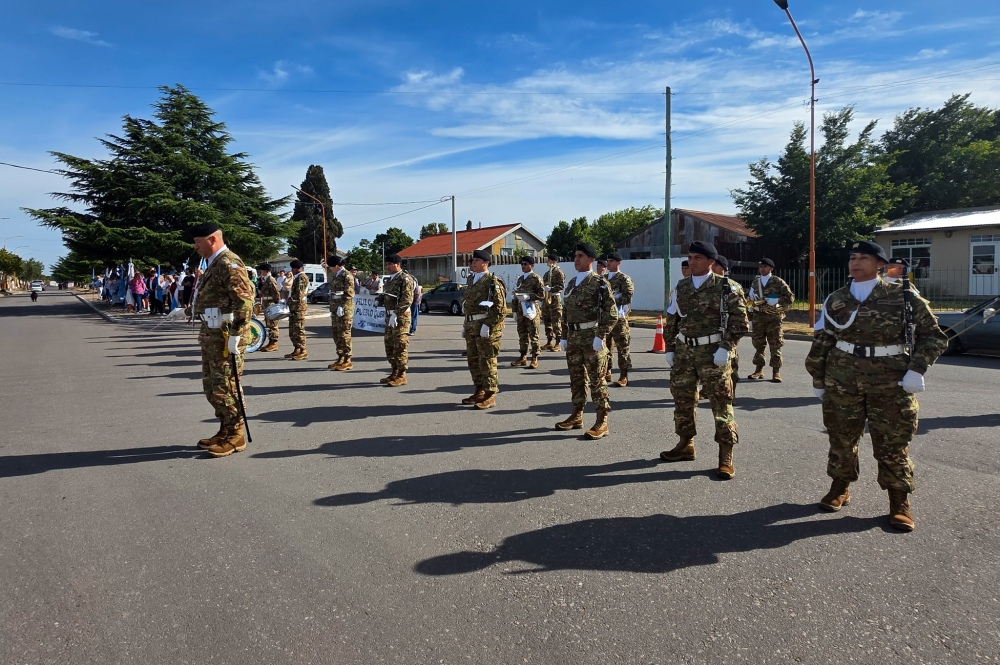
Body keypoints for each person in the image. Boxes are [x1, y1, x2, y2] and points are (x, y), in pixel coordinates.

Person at [805, 241, 947, 531]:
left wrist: (917, 369)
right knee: (841, 439)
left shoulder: (903, 297)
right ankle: (840, 488)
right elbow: (824, 340)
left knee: (893, 444)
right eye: (852, 257)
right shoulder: (837, 299)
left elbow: (934, 336)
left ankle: (899, 501)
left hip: (891, 381)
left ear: (880, 265)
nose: (856, 262)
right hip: (843, 380)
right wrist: (818, 378)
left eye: (864, 257)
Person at [660, 241, 749, 479]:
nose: (692, 261)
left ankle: (725, 455)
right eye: (690, 257)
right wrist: (670, 348)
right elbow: (672, 319)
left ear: (711, 262)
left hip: (713, 354)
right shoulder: (681, 287)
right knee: (683, 401)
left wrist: (726, 347)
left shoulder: (727, 288)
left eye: (698, 257)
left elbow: (740, 323)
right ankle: (685, 444)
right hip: (684, 353)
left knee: (721, 404)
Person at [186, 222, 255, 458]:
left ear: (212, 239)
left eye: (198, 241)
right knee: (213, 387)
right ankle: (225, 429)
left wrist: (236, 334)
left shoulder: (228, 262)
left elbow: (244, 302)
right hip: (212, 337)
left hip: (226, 338)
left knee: (227, 386)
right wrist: (189, 311)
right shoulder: (214, 263)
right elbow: (215, 298)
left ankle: (236, 436)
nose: (195, 246)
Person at [555, 243, 618, 440]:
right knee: (576, 379)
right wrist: (564, 336)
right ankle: (577, 415)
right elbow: (566, 312)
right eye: (575, 256)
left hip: (592, 338)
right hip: (574, 338)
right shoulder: (572, 282)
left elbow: (612, 313)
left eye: (581, 256)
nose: (576, 259)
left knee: (597, 381)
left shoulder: (599, 283)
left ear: (591, 260)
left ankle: (602, 421)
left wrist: (601, 335)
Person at [460, 249, 507, 408]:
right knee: (473, 361)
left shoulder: (492, 282)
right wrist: (466, 324)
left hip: (486, 328)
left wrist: (488, 324)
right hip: (472, 328)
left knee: (487, 362)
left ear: (485, 263)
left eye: (477, 260)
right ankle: (479, 390)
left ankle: (490, 394)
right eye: (472, 260)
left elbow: (500, 309)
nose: (473, 262)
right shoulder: (472, 280)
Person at [746, 258, 795, 382]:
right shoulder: (755, 283)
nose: (762, 269)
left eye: (765, 266)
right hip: (758, 318)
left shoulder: (778, 281)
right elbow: (749, 301)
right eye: (761, 266)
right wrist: (750, 318)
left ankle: (776, 372)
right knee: (758, 344)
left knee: (775, 344)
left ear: (771, 268)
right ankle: (758, 370)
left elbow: (790, 298)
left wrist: (778, 301)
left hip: (774, 319)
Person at [379, 255, 415, 386]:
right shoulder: (389, 280)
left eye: (390, 264)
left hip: (401, 317)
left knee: (400, 345)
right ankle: (394, 371)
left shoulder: (405, 279)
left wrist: (396, 313)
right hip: (390, 317)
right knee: (389, 345)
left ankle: (401, 374)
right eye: (387, 264)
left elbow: (407, 300)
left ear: (398, 264)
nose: (388, 266)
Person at [710, 255, 744, 386]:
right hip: (712, 333)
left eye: (716, 265)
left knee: (731, 364)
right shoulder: (708, 285)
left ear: (723, 268)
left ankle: (731, 391)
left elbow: (739, 316)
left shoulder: (731, 287)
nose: (713, 268)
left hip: (728, 333)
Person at [510, 255, 545, 369]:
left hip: (532, 310)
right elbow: (516, 295)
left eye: (525, 264)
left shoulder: (536, 278)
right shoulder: (520, 279)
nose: (523, 266)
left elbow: (542, 295)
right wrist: (514, 310)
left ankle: (534, 358)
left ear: (532, 265)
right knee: (522, 334)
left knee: (533, 334)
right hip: (521, 310)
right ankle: (522, 356)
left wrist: (528, 296)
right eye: (522, 264)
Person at [606, 252, 635, 387]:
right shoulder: (603, 278)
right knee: (605, 347)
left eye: (611, 261)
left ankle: (624, 375)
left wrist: (613, 298)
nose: (608, 263)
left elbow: (628, 297)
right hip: (605, 318)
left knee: (622, 347)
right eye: (608, 261)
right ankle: (607, 371)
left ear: (618, 263)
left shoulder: (624, 279)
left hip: (619, 317)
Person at [326, 255, 355, 370]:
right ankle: (340, 357)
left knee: (344, 334)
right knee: (337, 333)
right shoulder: (337, 275)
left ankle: (347, 359)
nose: (330, 269)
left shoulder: (347, 275)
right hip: (335, 308)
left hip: (344, 309)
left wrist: (342, 306)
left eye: (331, 267)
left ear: (337, 266)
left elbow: (349, 293)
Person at [285, 260, 309, 360]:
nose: (292, 270)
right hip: (294, 306)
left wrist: (291, 301)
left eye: (293, 268)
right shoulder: (297, 277)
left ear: (298, 268)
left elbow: (300, 293)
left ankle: (303, 350)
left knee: (299, 329)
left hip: (299, 306)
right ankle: (297, 348)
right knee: (293, 329)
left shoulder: (302, 277)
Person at [541, 255, 566, 351]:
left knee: (556, 321)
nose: (547, 261)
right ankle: (549, 341)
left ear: (554, 261)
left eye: (549, 260)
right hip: (547, 298)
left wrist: (551, 289)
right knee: (547, 321)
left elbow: (561, 286)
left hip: (555, 298)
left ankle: (558, 342)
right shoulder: (547, 273)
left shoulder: (559, 272)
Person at [256, 263, 282, 352]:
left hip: (271, 304)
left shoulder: (271, 280)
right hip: (267, 304)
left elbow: (276, 293)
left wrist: (276, 304)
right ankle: (270, 342)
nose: (260, 272)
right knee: (269, 325)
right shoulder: (265, 280)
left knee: (273, 324)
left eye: (262, 271)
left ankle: (274, 343)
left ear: (266, 271)